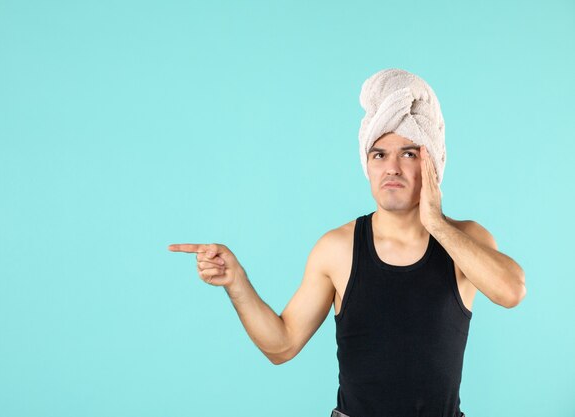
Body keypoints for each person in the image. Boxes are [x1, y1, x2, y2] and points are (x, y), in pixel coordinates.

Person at [168, 68, 526, 417]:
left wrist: (436, 222)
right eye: (379, 154)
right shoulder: (337, 248)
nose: (392, 168)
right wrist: (237, 283)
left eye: (409, 153)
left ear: (433, 163)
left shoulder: (468, 240)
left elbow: (511, 291)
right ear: (367, 165)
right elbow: (283, 345)